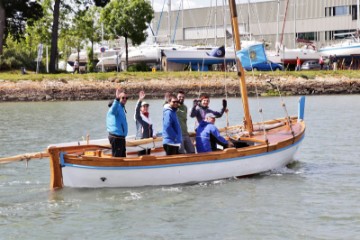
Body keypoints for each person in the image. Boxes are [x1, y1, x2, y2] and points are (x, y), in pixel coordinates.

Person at [106, 89, 128, 157]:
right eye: (123, 98)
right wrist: (117, 98)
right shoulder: (116, 107)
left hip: (121, 137)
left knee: (122, 159)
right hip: (116, 137)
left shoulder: (121, 108)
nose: (125, 99)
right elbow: (113, 110)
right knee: (117, 159)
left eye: (126, 98)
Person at [134, 90, 156, 156]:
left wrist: (154, 134)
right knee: (141, 157)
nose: (146, 107)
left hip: (148, 141)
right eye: (144, 106)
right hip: (141, 141)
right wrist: (140, 100)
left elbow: (152, 128)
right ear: (141, 108)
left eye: (147, 106)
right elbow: (136, 110)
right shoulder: (138, 117)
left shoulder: (149, 118)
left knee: (148, 156)